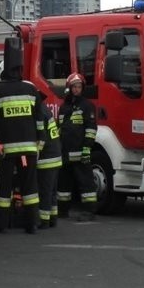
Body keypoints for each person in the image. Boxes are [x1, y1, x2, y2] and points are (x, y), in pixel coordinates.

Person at [0, 59, 44, 234]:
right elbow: (40, 120)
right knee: (30, 187)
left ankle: (1, 224)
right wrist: (39, 142)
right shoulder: (31, 90)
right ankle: (32, 224)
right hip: (29, 150)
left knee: (5, 188)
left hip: (6, 151)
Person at [57, 73, 98, 221]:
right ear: (69, 88)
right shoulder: (64, 107)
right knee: (63, 184)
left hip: (81, 152)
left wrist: (87, 148)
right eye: (74, 87)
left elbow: (91, 129)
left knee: (85, 183)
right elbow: (59, 129)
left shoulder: (87, 106)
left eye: (79, 87)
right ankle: (62, 210)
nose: (76, 90)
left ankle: (89, 211)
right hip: (65, 153)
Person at [35, 92, 62, 229]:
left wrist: (36, 154)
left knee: (44, 191)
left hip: (47, 158)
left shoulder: (38, 112)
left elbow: (41, 138)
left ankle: (43, 220)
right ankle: (53, 218)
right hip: (56, 156)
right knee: (51, 191)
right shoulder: (45, 109)